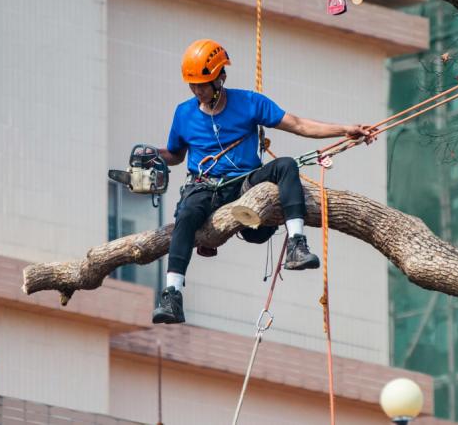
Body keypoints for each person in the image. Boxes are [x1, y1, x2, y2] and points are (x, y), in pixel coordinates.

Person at [151, 39, 372, 324]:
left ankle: (297, 244)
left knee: (286, 166)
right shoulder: (184, 113)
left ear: (221, 78)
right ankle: (172, 295)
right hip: (205, 186)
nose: (197, 91)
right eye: (192, 85)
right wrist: (153, 155)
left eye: (203, 84)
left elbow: (299, 125)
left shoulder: (249, 103)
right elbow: (176, 155)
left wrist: (344, 130)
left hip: (245, 183)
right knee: (186, 215)